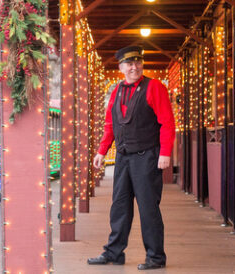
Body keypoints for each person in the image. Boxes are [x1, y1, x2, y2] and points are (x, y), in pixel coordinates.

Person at [87, 46, 175, 270]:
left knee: (148, 208)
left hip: (147, 156)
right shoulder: (116, 90)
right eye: (129, 63)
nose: (134, 66)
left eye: (138, 62)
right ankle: (114, 252)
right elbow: (110, 125)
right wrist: (101, 151)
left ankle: (155, 257)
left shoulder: (154, 87)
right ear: (121, 67)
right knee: (119, 206)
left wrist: (165, 152)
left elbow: (167, 122)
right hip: (124, 158)